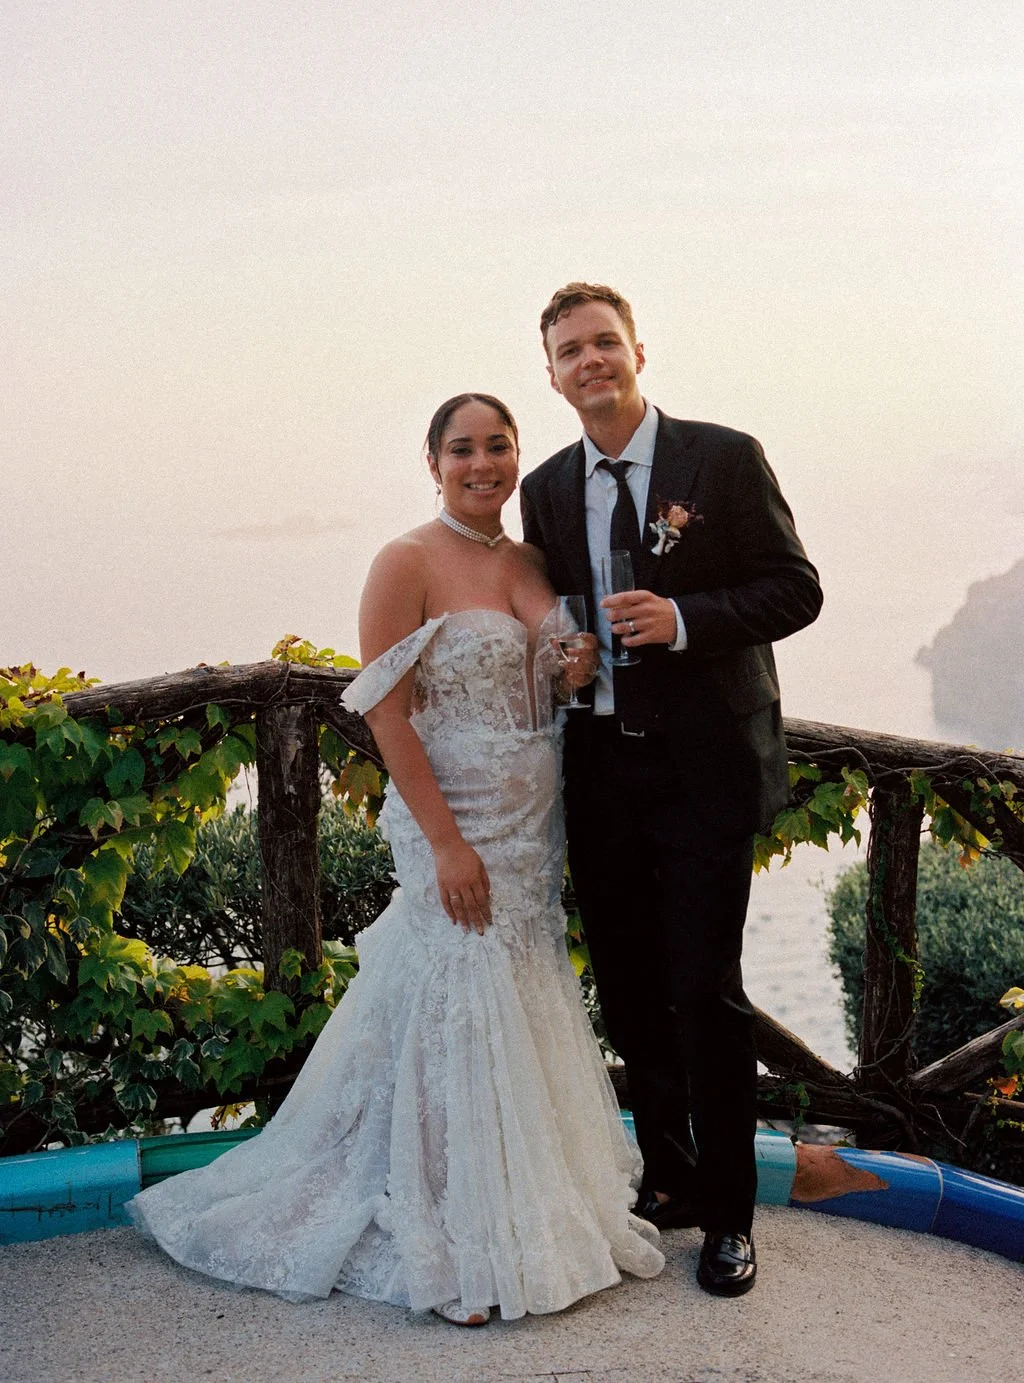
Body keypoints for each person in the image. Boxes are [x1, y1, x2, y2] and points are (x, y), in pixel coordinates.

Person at [126, 393, 664, 1325]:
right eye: (464, 449)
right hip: (452, 819)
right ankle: (451, 1233)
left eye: (499, 446)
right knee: (451, 1001)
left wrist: (575, 652)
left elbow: (555, 633)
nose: (484, 463)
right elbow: (385, 711)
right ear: (434, 462)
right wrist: (448, 843)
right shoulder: (405, 559)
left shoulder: (526, 558)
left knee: (517, 990)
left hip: (530, 823)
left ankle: (523, 1201)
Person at [520, 284, 823, 1297]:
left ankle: (730, 1220)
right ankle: (671, 1178)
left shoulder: (722, 458)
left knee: (705, 993)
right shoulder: (550, 488)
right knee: (631, 996)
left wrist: (685, 617)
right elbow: (556, 614)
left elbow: (795, 588)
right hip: (599, 768)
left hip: (702, 773)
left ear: (638, 350)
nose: (591, 360)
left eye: (605, 342)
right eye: (571, 350)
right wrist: (565, 657)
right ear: (552, 373)